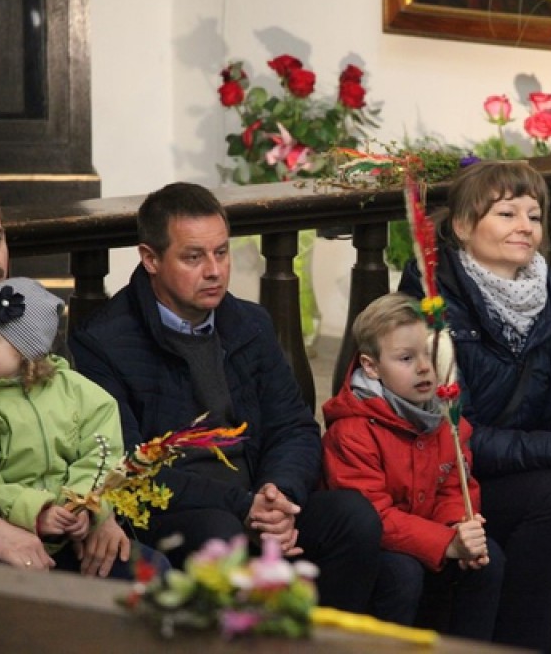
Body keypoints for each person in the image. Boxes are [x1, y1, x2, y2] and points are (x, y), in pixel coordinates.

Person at [69, 181, 381, 612]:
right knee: (220, 535)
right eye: (193, 257)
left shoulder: (248, 322)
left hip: (254, 498)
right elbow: (127, 466)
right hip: (176, 511)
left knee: (354, 517)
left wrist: (279, 496)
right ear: (151, 259)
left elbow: (294, 427)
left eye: (221, 252)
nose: (214, 270)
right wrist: (246, 508)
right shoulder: (102, 340)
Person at [399, 161, 551, 654]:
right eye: (507, 214)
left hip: (521, 463)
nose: (525, 226)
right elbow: (450, 433)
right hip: (451, 478)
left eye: (533, 214)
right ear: (463, 227)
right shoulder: (432, 301)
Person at [0, 174, 135, 576]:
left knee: (146, 579)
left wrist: (99, 511)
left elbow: (82, 427)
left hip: (60, 519)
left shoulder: (29, 318)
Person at [322, 292, 504, 640]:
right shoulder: (353, 430)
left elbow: (454, 485)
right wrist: (446, 542)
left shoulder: (445, 417)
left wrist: (459, 524)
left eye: (430, 355)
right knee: (402, 574)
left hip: (428, 533)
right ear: (371, 366)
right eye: (406, 358)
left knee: (486, 560)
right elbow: (373, 516)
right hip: (377, 549)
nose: (424, 367)